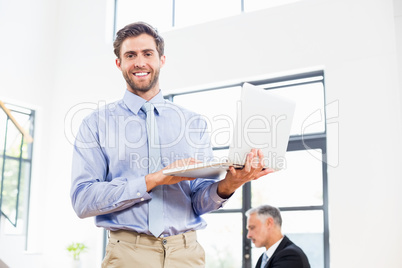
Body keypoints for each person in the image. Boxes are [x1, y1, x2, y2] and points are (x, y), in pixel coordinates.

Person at [70, 21, 273, 268]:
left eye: (148, 54)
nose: (140, 62)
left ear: (161, 60)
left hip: (186, 254)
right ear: (119, 63)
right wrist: (152, 180)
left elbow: (199, 200)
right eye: (130, 55)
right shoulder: (96, 124)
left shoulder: (192, 123)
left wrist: (231, 183)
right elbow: (83, 199)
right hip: (128, 255)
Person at [246, 205, 311, 268]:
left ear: (269, 223)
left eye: (252, 228)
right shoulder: (263, 258)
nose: (248, 235)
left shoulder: (290, 256)